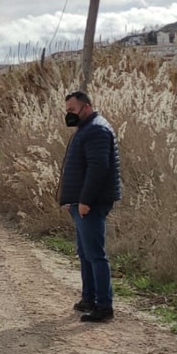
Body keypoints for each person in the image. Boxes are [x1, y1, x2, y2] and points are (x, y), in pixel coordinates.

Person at [57, 91, 121, 322]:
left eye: (72, 110)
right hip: (80, 202)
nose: (69, 115)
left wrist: (84, 201)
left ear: (86, 107)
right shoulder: (87, 128)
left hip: (91, 204)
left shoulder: (96, 129)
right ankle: (89, 298)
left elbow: (98, 169)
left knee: (95, 254)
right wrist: (72, 199)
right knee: (85, 253)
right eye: (67, 111)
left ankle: (104, 306)